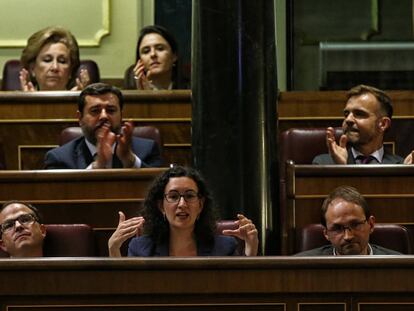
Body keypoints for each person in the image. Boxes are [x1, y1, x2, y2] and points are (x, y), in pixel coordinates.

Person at [108, 166, 259, 257]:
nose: (182, 204)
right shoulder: (140, 248)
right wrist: (114, 249)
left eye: (189, 196)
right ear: (161, 206)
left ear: (200, 205)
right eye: (173, 197)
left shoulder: (224, 248)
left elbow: (237, 292)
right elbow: (130, 293)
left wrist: (251, 250)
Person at [44, 83, 163, 169]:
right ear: (79, 118)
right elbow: (61, 197)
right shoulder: (59, 158)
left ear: (121, 115)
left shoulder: (147, 149)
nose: (104, 116)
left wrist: (130, 160)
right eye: (95, 111)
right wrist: (98, 164)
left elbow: (160, 193)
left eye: (111, 110)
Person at [295, 186, 400, 256]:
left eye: (355, 225)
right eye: (337, 229)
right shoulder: (301, 268)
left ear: (371, 225)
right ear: (326, 234)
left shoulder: (401, 267)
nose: (348, 237)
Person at [313, 84, 404, 164]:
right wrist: (342, 169)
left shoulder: (401, 167)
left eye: (359, 114)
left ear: (383, 124)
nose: (348, 119)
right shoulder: (324, 164)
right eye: (346, 114)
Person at [20, 26, 90, 91]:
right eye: (47, 60)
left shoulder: (84, 102)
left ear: (71, 71)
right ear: (32, 68)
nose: (55, 67)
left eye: (62, 61)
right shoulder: (17, 104)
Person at [124, 25, 180, 90]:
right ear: (140, 61)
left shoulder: (191, 88)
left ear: (174, 56)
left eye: (160, 49)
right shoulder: (130, 85)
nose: (153, 54)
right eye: (146, 51)